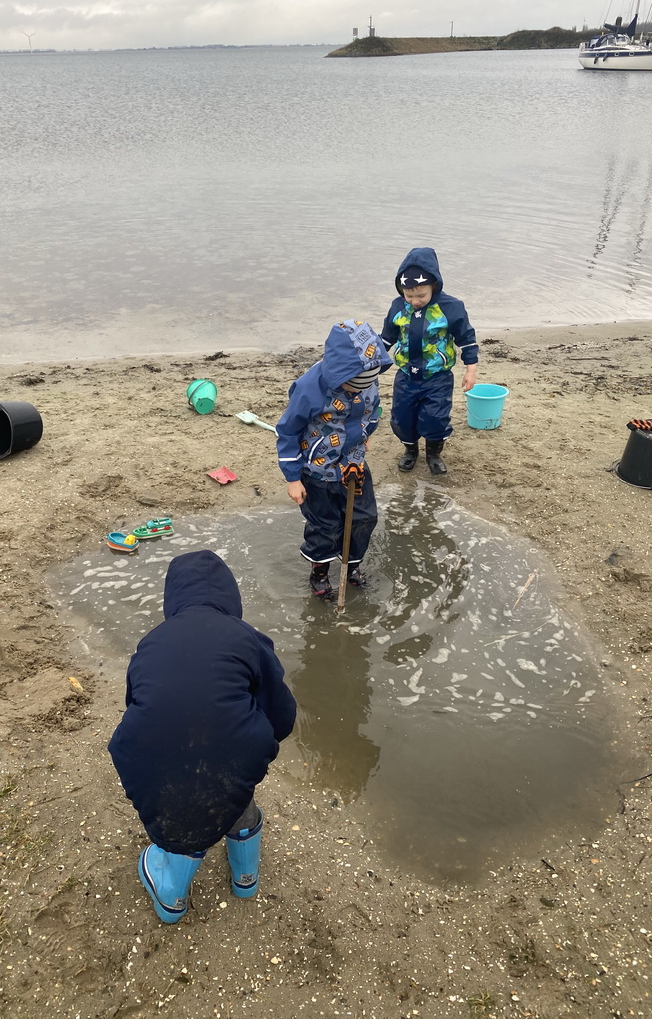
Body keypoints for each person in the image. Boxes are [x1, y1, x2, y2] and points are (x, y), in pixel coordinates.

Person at [108, 549, 296, 924]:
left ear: (171, 597)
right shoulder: (248, 637)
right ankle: (245, 877)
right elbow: (282, 715)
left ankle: (171, 896)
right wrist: (253, 743)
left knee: (180, 802)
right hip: (232, 753)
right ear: (232, 597)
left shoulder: (151, 641)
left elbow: (138, 703)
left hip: (146, 753)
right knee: (230, 774)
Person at [276, 319, 392, 599]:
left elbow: (374, 409)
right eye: (353, 386)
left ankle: (350, 566)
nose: (360, 390)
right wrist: (293, 478)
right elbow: (287, 431)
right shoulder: (309, 388)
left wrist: (367, 434)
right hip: (318, 471)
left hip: (354, 463)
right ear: (341, 374)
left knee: (364, 517)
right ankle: (320, 572)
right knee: (325, 525)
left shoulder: (368, 379)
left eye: (367, 383)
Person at [380, 247, 478, 475]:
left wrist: (470, 370)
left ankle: (433, 454)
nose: (415, 301)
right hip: (405, 376)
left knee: (435, 417)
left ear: (434, 285)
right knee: (402, 418)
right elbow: (386, 338)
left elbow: (467, 339)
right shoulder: (397, 307)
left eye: (421, 295)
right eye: (409, 295)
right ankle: (410, 451)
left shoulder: (451, 307)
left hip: (438, 377)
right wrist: (370, 363)